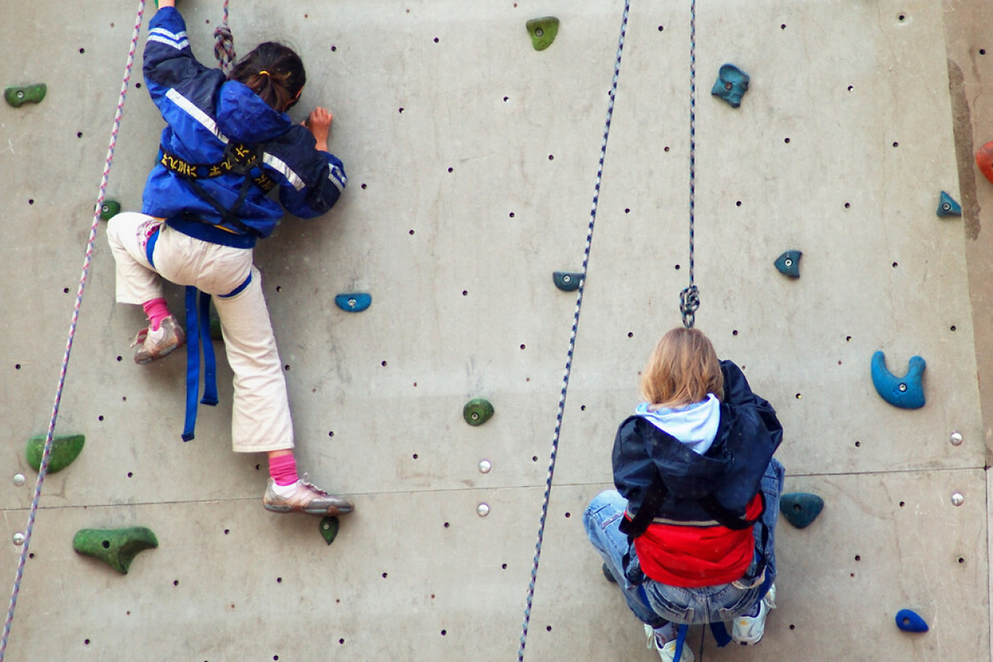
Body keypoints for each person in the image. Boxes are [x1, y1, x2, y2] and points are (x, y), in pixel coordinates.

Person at [106, 0, 352, 517]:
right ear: (297, 96)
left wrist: (168, 7)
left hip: (171, 247)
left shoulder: (199, 90)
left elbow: (161, 61)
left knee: (120, 227)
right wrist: (321, 143)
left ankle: (158, 323)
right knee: (257, 361)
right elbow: (321, 196)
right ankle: (283, 481)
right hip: (231, 263)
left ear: (238, 68)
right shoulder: (292, 144)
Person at [583, 327, 784, 662]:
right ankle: (750, 616)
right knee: (768, 469)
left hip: (666, 596)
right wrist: (718, 371)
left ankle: (664, 632)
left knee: (597, 510)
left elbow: (630, 493)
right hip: (737, 590)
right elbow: (764, 420)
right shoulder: (739, 430)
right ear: (712, 376)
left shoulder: (636, 435)